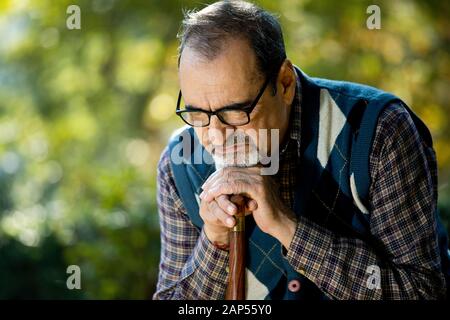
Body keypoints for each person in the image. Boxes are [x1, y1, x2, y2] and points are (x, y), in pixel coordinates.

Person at [153, 0, 447, 300]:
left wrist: (287, 227)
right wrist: (214, 240)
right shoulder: (178, 168)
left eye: (236, 111)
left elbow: (423, 292)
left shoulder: (379, 130)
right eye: (198, 114)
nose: (216, 136)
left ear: (285, 82)